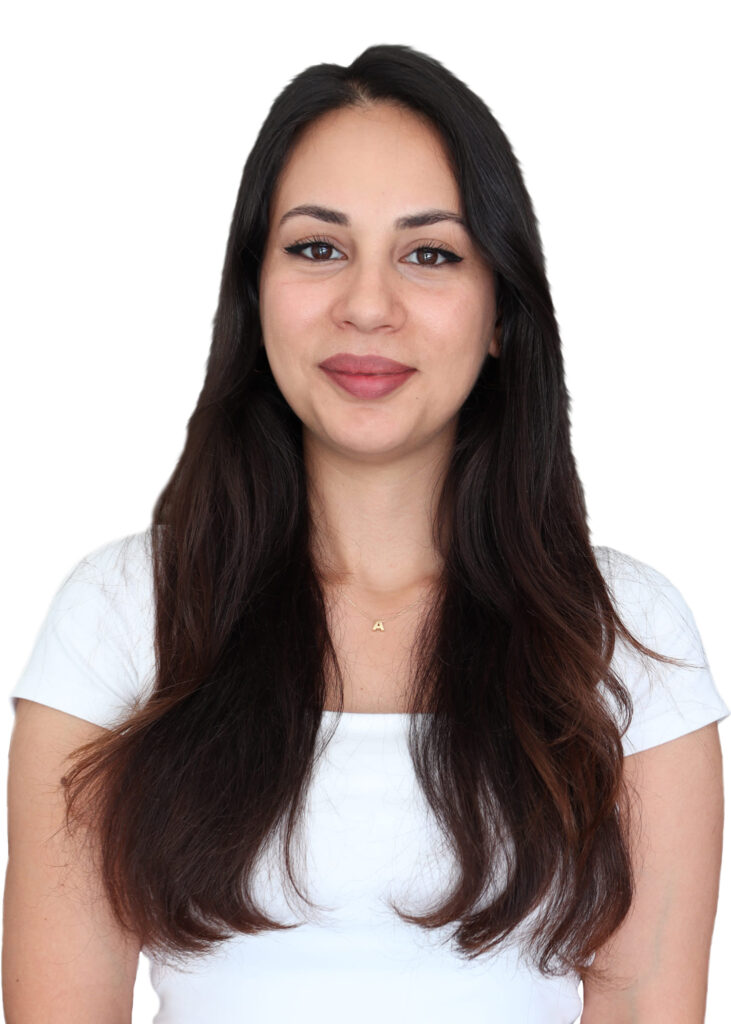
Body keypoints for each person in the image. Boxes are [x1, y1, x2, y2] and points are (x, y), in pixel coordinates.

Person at [3, 43, 728, 1024]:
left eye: (429, 254)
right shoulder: (124, 614)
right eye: (317, 248)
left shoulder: (625, 635)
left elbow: (643, 1004)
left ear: (500, 313)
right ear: (253, 293)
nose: (368, 306)